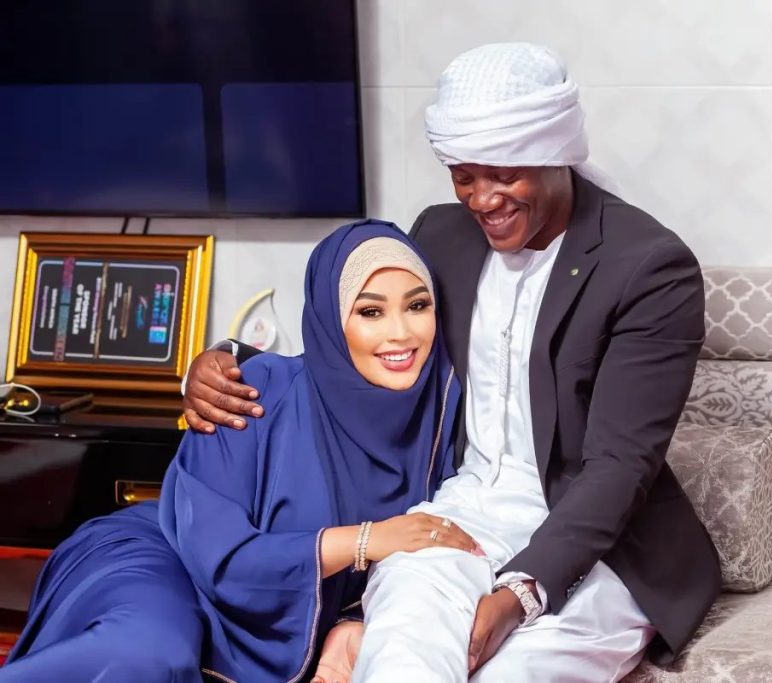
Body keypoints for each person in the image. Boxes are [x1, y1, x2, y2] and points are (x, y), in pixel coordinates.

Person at [183, 43, 721, 682]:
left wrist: (519, 594)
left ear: (555, 153)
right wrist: (226, 360)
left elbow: (620, 466)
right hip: (461, 511)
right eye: (463, 176)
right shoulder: (442, 235)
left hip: (602, 542)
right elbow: (365, 341)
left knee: (509, 673)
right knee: (402, 653)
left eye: (504, 175)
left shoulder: (648, 267)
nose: (482, 199)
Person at [1, 221, 479, 683]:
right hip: (170, 556)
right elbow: (220, 558)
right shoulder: (251, 388)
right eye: (370, 312)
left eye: (418, 305)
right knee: (150, 655)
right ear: (331, 320)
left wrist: (352, 622)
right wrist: (367, 540)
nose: (401, 333)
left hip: (279, 612)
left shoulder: (443, 411)